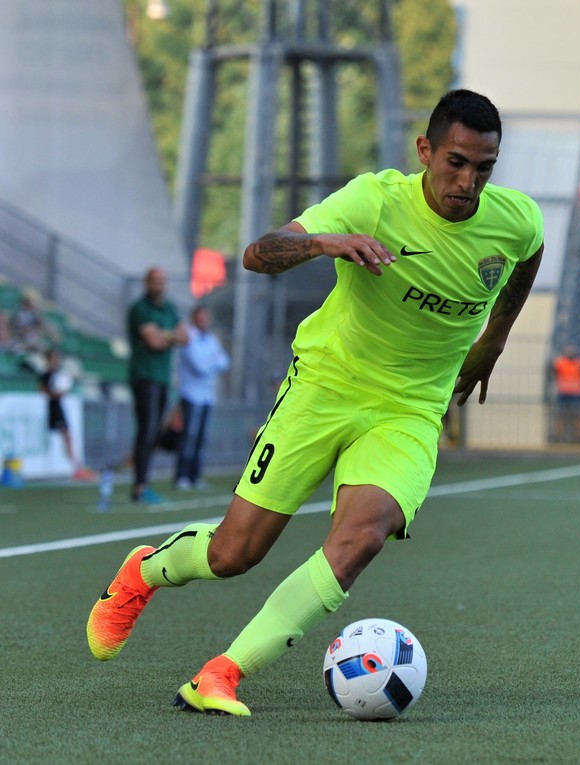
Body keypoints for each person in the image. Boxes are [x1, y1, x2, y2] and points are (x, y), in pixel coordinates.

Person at [86, 89, 544, 717]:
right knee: (233, 554)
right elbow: (257, 254)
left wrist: (494, 340)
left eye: (484, 168)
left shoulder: (514, 220)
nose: (468, 182)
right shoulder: (375, 200)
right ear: (425, 151)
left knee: (362, 538)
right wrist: (326, 243)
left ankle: (222, 674)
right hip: (325, 385)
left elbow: (528, 256)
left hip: (410, 409)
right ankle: (143, 572)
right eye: (456, 163)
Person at [127, 267, 187, 504]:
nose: (159, 285)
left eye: (163, 281)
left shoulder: (170, 308)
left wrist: (165, 335)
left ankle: (143, 483)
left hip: (162, 378)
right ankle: (140, 486)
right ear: (146, 283)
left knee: (154, 433)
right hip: (144, 376)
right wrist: (169, 336)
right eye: (155, 281)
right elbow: (153, 342)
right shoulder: (140, 309)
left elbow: (185, 337)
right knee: (147, 430)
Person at [174, 305, 230, 490]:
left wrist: (212, 363)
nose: (204, 321)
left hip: (207, 396)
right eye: (201, 317)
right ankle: (182, 476)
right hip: (191, 395)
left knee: (201, 439)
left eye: (206, 317)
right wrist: (213, 362)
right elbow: (200, 367)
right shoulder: (188, 337)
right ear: (194, 318)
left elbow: (225, 361)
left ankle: (195, 476)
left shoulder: (211, 338)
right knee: (188, 438)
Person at [38, 347, 95, 481]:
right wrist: (54, 394)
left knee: (67, 437)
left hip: (59, 408)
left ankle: (76, 467)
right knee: (65, 437)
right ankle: (76, 468)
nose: (56, 361)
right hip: (53, 409)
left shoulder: (58, 374)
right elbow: (41, 390)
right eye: (54, 358)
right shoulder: (46, 375)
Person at [552, 343, 580, 442]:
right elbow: (554, 371)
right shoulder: (560, 362)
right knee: (560, 416)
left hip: (576, 393)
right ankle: (558, 437)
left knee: (577, 416)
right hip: (563, 392)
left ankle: (579, 437)